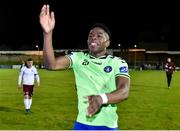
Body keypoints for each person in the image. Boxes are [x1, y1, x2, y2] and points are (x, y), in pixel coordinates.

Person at [39, 4, 130, 130]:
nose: (93, 37)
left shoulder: (117, 62)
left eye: (99, 35)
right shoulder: (78, 58)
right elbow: (51, 65)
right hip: (81, 124)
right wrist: (47, 34)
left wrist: (101, 98)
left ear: (107, 43)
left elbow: (124, 91)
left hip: (107, 126)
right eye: (90, 35)